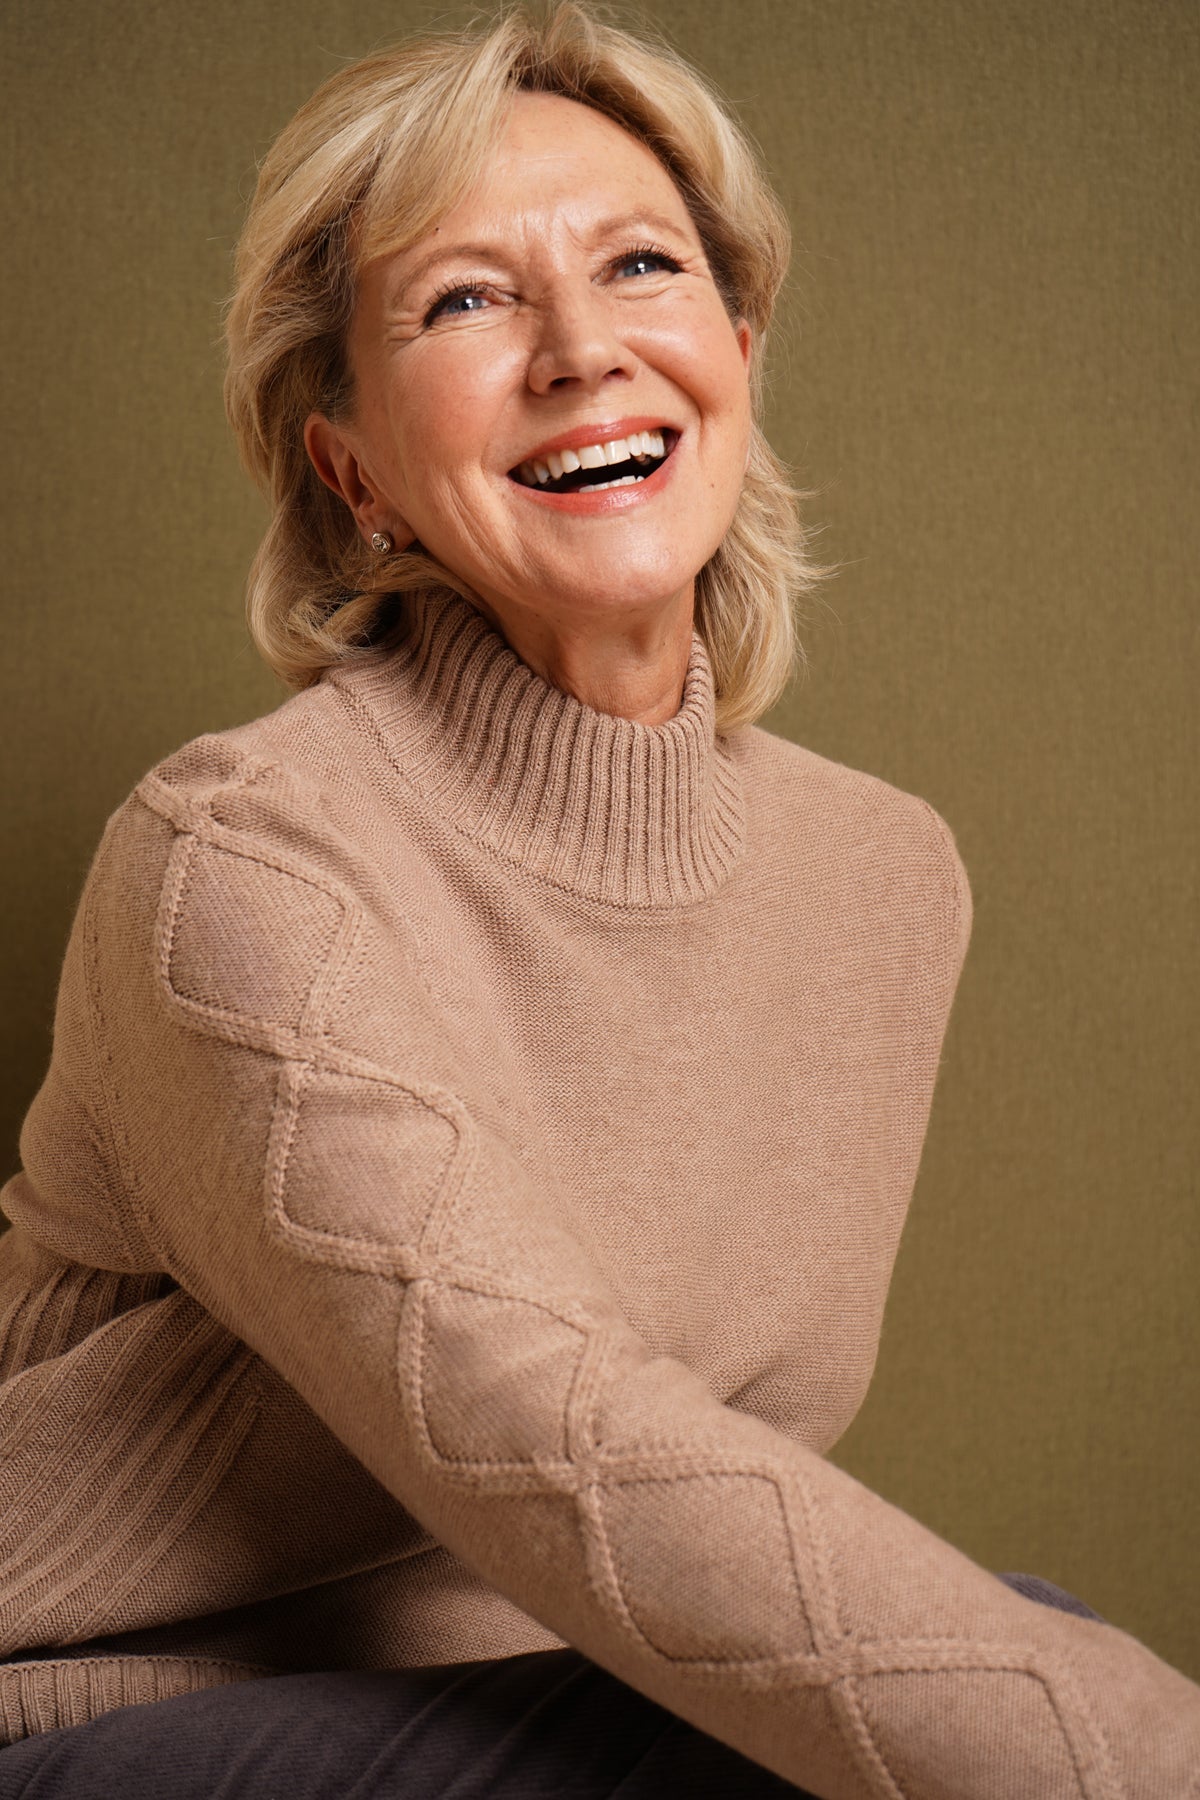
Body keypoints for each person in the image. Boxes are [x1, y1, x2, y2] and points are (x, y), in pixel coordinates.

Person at [0, 4, 1196, 1795]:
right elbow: (552, 1440)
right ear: (352, 469)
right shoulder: (243, 860)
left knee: (1001, 1660)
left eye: (640, 266)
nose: (580, 351)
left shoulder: (881, 879)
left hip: (566, 1713)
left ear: (734, 351)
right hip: (99, 1718)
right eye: (465, 301)